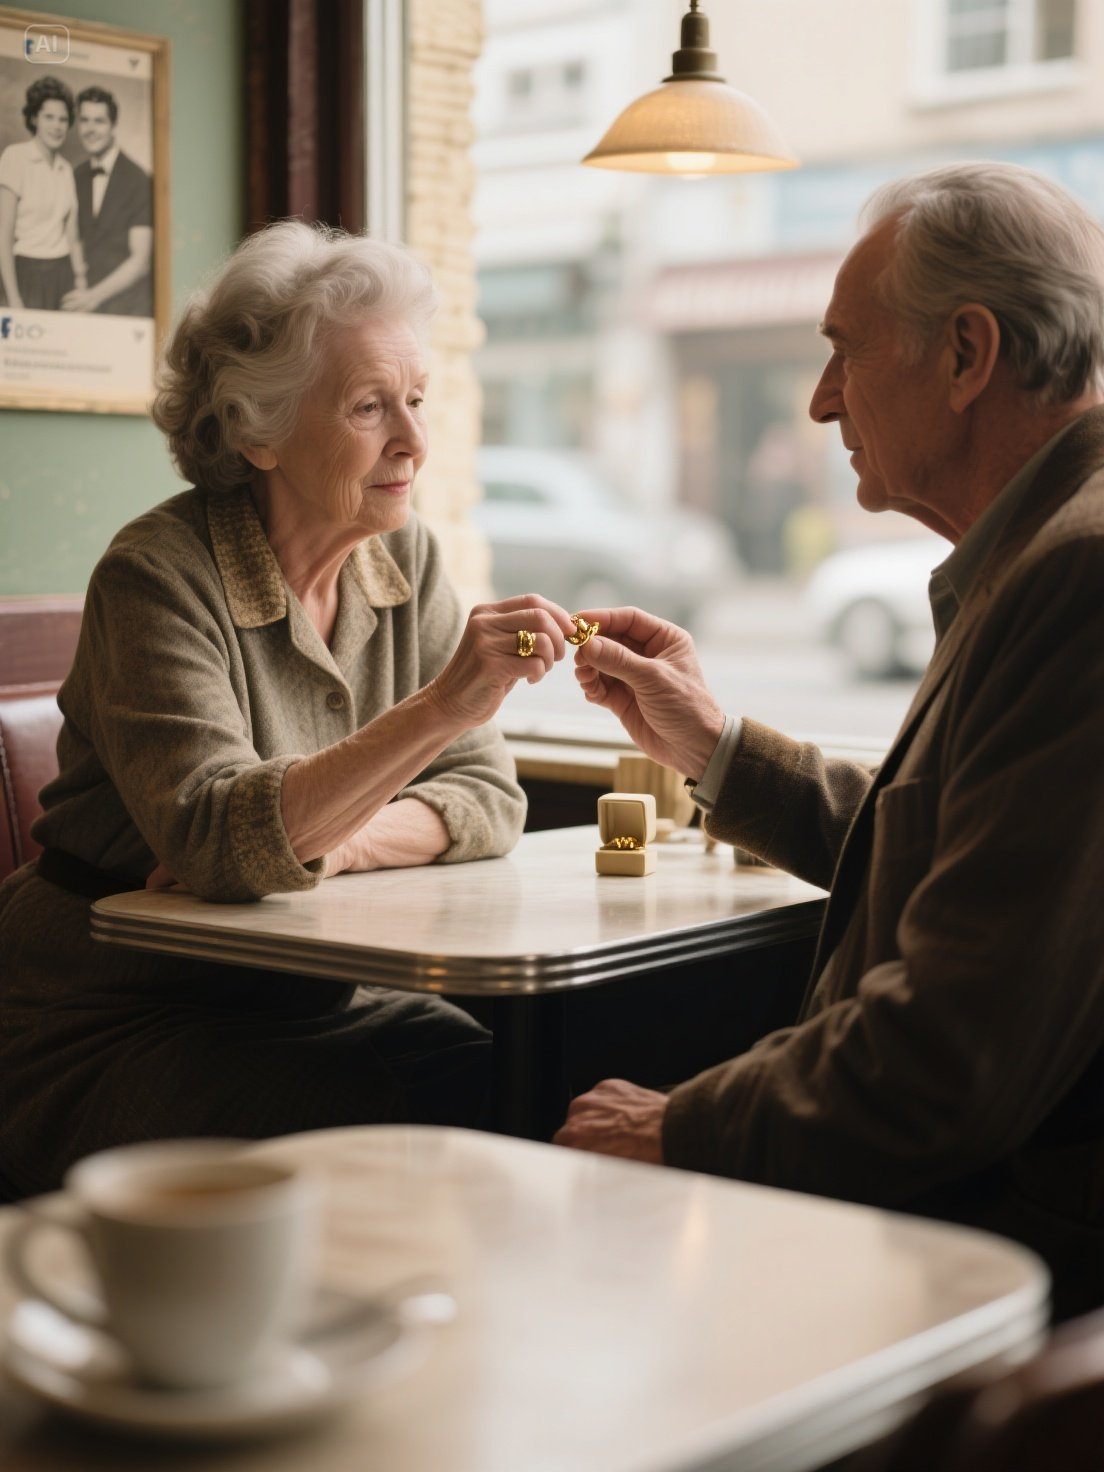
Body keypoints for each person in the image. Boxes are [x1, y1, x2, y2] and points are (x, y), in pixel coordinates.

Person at [554, 162, 1104, 1320]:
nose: (818, 401)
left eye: (844, 351)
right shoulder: (1044, 551)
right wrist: (715, 746)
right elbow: (969, 853)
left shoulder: (1079, 574)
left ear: (967, 354)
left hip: (1007, 1264)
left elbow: (955, 1052)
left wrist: (684, 1125)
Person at [0, 220, 577, 1197]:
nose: (414, 441)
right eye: (369, 407)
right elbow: (219, 840)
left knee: (520, 1074)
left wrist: (334, 844)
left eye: (417, 400)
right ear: (254, 430)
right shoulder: (156, 576)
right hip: (109, 1015)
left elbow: (488, 797)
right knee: (393, 1124)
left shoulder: (406, 556)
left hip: (307, 998)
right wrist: (443, 704)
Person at [64, 85, 153, 316]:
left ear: (113, 125)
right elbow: (74, 239)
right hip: (84, 302)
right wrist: (82, 288)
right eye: (85, 120)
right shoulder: (76, 175)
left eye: (99, 121)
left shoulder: (138, 179)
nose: (90, 129)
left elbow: (141, 261)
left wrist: (91, 297)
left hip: (128, 308)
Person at [0, 74, 85, 311]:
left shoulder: (66, 169)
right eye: (49, 117)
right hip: (27, 274)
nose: (57, 126)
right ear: (34, 118)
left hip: (63, 274)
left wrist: (81, 283)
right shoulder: (15, 157)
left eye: (63, 119)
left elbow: (72, 236)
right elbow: (3, 237)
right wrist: (14, 299)